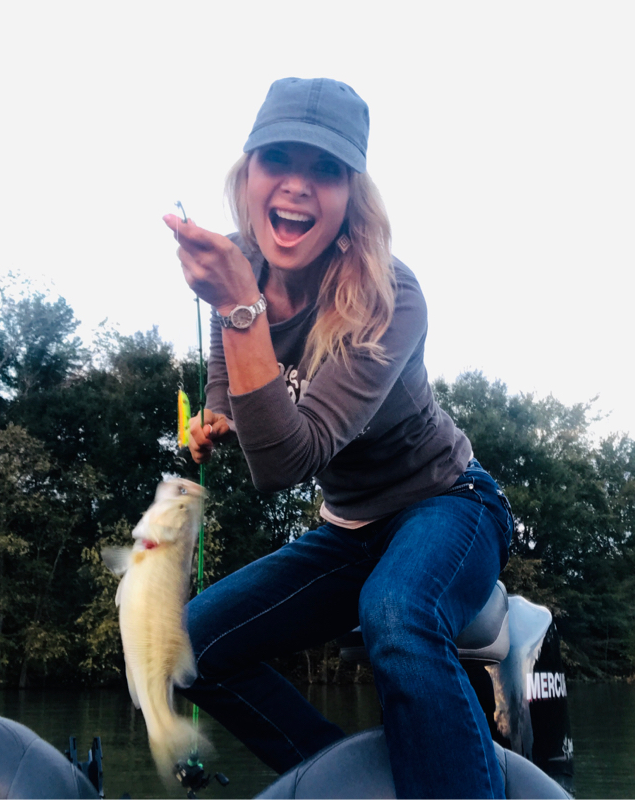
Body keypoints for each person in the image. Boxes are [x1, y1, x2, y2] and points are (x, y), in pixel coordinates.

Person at [163, 77, 513, 799]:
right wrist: (216, 414)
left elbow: (286, 462)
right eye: (277, 159)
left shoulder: (392, 294)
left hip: (448, 504)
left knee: (397, 613)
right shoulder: (240, 266)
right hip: (349, 528)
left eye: (325, 168)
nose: (297, 185)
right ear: (248, 174)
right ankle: (349, 783)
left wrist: (239, 306)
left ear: (352, 195)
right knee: (189, 645)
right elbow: (225, 369)